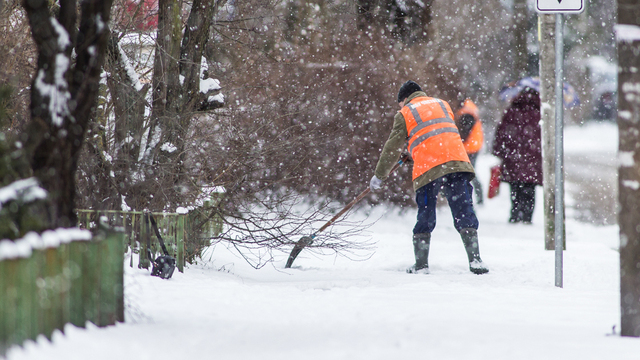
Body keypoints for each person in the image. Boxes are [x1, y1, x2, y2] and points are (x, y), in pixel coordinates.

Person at [369, 80, 489, 275]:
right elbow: (436, 134)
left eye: (400, 103)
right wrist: (413, 150)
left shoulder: (405, 113)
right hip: (457, 162)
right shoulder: (443, 104)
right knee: (463, 209)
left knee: (426, 212)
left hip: (429, 168)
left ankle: (421, 265)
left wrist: (380, 175)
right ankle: (475, 260)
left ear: (405, 99)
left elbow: (392, 148)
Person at [492, 87, 542, 224]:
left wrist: (499, 151)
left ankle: (515, 213)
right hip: (532, 159)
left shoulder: (511, 111)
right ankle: (527, 217)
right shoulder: (540, 114)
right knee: (530, 189)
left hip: (512, 157)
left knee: (515, 187)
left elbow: (500, 133)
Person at [455, 98, 485, 204]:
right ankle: (478, 196)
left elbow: (464, 132)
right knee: (470, 172)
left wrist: (457, 142)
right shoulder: (471, 110)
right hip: (474, 147)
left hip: (468, 148)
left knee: (467, 173)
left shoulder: (466, 114)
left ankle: (472, 197)